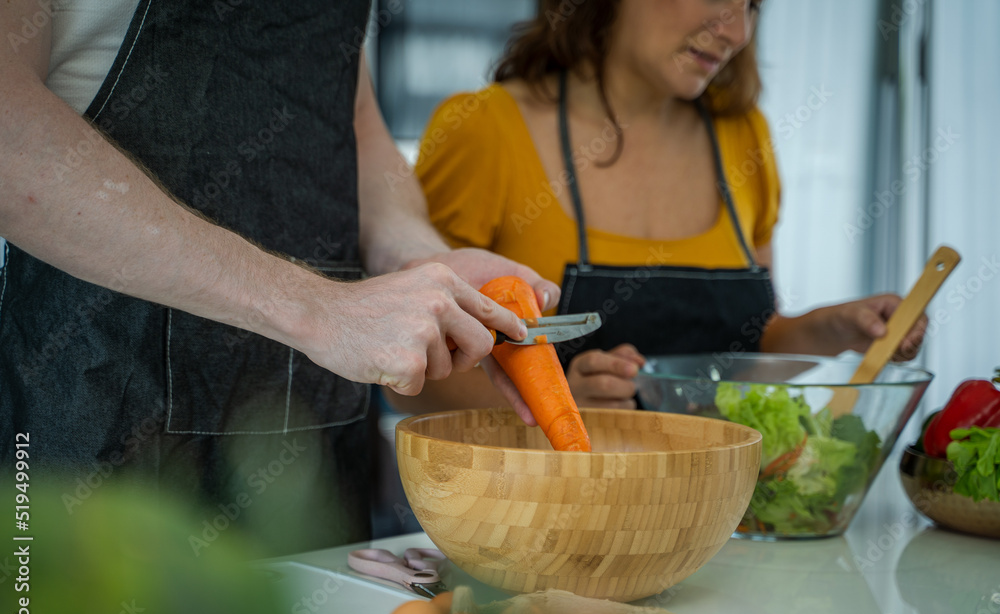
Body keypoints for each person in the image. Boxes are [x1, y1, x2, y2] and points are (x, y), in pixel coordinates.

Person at [0, 0, 557, 554]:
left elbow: (357, 131)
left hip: (314, 433)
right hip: (97, 399)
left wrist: (423, 258)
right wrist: (319, 309)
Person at [387, 0, 927, 415]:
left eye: (752, 4)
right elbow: (406, 380)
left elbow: (747, 349)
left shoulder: (744, 139)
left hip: (704, 519)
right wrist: (555, 401)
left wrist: (827, 332)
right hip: (529, 527)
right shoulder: (485, 130)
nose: (738, 32)